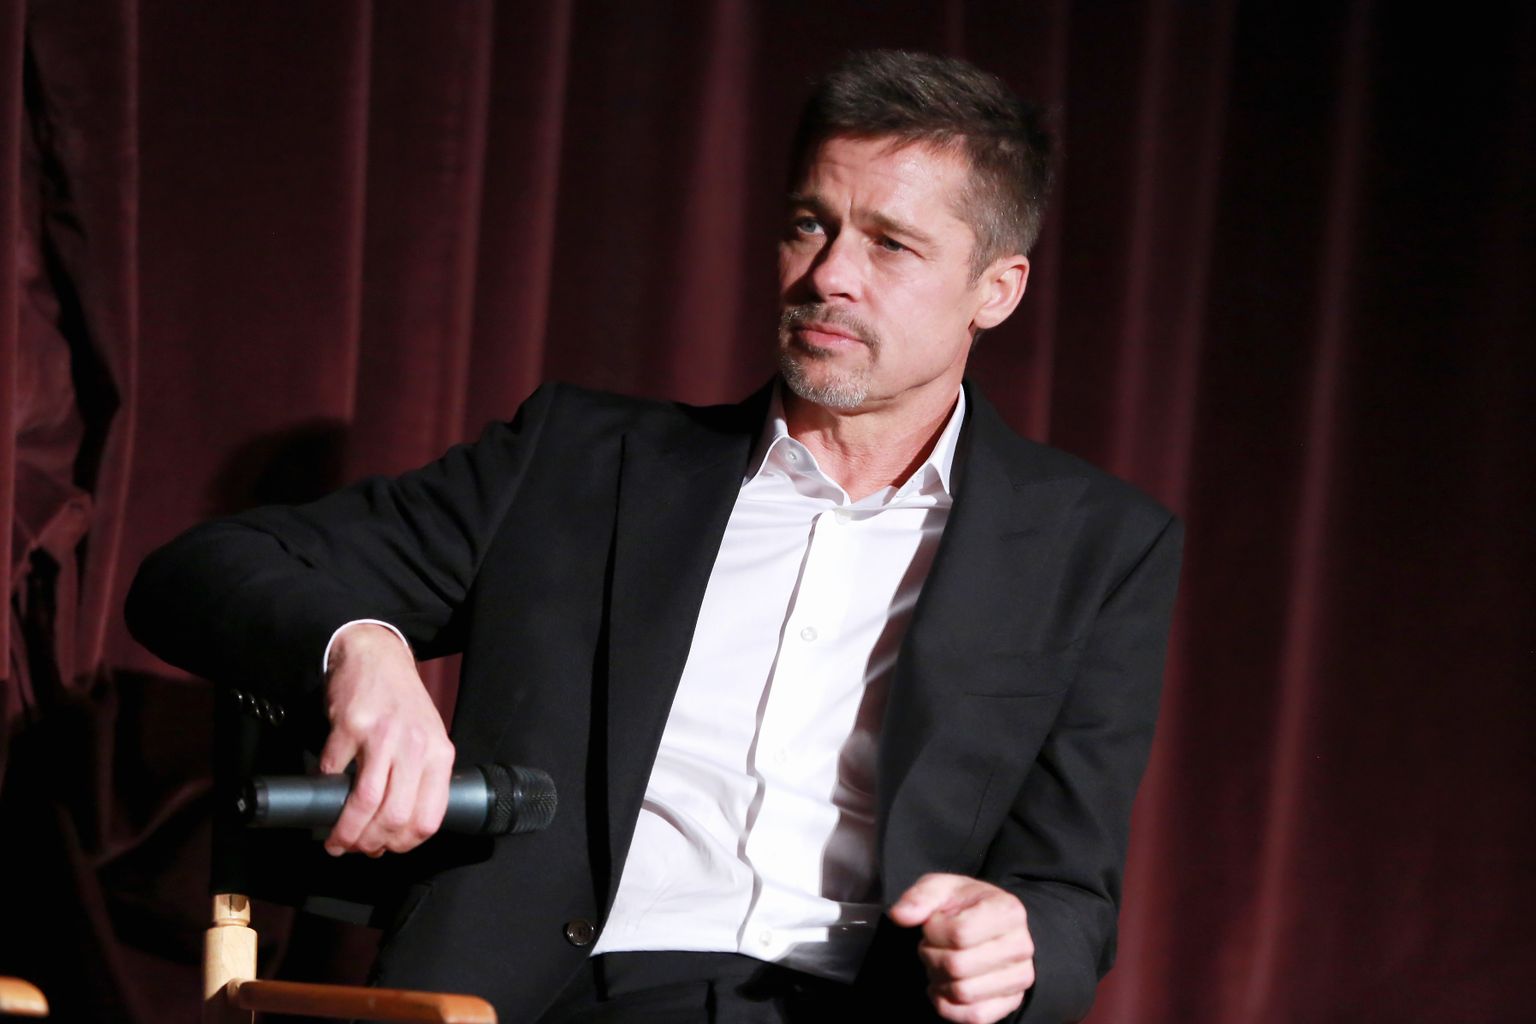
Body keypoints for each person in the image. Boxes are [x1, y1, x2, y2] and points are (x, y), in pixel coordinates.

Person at [127, 50, 1181, 1024]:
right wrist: (361, 646)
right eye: (809, 224)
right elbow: (198, 573)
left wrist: (1016, 942)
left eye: (890, 245)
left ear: (997, 290)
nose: (829, 275)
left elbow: (1068, 897)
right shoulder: (579, 465)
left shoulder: (1095, 550)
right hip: (567, 997)